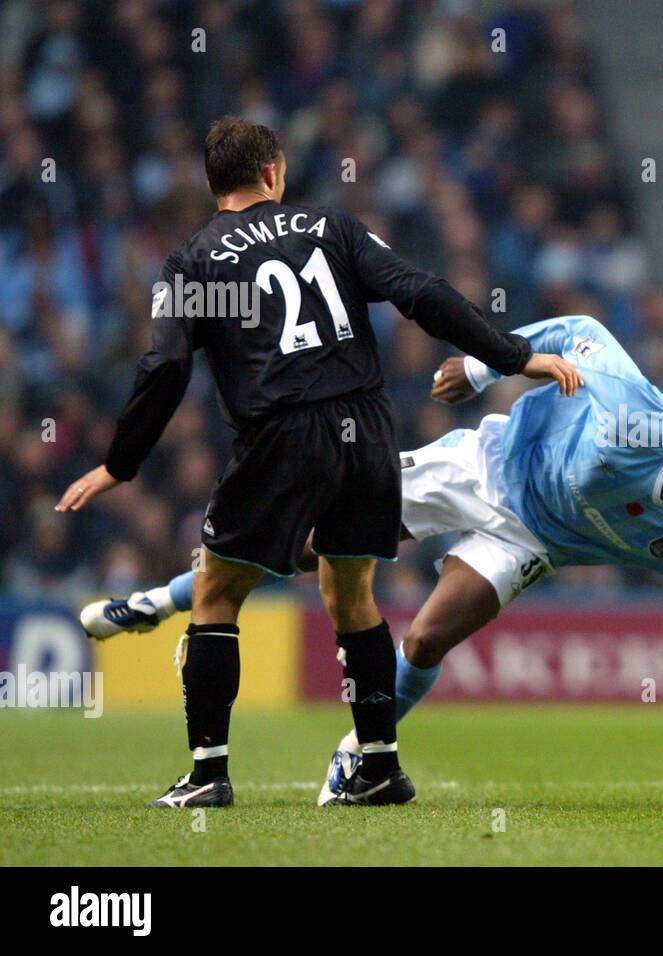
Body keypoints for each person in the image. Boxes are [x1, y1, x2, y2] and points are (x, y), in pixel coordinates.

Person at [57, 116, 582, 809]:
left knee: (215, 594)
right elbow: (419, 291)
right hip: (366, 430)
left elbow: (165, 365)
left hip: (281, 436)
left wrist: (120, 464)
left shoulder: (194, 261)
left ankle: (208, 774)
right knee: (350, 595)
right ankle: (379, 766)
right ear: (273, 174)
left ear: (215, 185)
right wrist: (515, 356)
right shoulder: (331, 228)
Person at [82, 314, 663, 808]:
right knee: (306, 548)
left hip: (527, 541)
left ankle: (358, 756)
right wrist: (485, 367)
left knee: (425, 640)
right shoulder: (637, 423)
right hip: (482, 467)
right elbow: (582, 332)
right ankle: (163, 600)